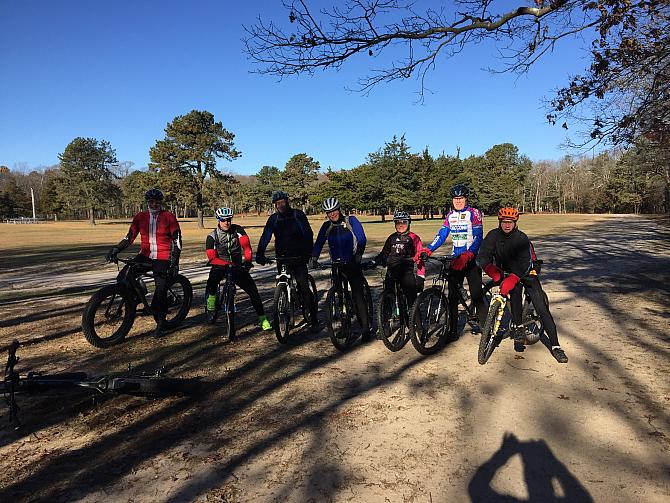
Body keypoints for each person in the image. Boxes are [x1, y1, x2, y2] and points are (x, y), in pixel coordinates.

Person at [477, 207, 568, 363]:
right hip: (506, 273)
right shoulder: (493, 235)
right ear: (500, 222)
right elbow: (483, 256)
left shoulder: (521, 238)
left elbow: (525, 263)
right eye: (504, 222)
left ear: (515, 222)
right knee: (515, 292)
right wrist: (491, 270)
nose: (507, 225)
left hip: (526, 273)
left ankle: (556, 346)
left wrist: (514, 277)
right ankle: (518, 327)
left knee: (541, 308)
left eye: (510, 222)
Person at [106, 188, 181, 338]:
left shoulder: (168, 216)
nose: (154, 204)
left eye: (157, 202)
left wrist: (174, 260)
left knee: (160, 289)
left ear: (160, 203)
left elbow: (177, 240)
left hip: (163, 256)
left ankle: (160, 321)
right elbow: (129, 238)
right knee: (123, 276)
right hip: (145, 255)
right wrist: (116, 249)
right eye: (151, 202)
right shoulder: (140, 217)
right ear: (147, 202)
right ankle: (134, 299)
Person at [421, 184, 487, 341]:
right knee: (452, 297)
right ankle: (452, 330)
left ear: (466, 199)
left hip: (471, 259)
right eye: (455, 199)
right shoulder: (450, 215)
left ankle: (487, 328)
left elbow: (478, 236)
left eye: (460, 198)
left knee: (477, 295)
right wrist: (429, 249)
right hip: (455, 259)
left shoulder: (473, 213)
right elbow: (442, 234)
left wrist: (469, 254)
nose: (458, 201)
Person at [255, 191, 317, 329]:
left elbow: (308, 234)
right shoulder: (273, 219)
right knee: (281, 282)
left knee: (304, 287)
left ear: (287, 202)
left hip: (299, 256)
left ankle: (314, 319)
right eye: (277, 204)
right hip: (282, 257)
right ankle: (287, 308)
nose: (280, 205)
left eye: (282, 202)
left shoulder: (297, 215)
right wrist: (260, 254)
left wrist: (308, 253)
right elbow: (266, 236)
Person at [205, 207, 272, 333]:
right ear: (218, 220)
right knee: (212, 279)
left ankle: (263, 319)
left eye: (229, 219)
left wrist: (247, 261)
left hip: (237, 266)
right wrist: (226, 264)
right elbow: (212, 258)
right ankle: (211, 301)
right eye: (223, 220)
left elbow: (246, 248)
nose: (226, 222)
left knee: (253, 291)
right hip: (220, 265)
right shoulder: (212, 236)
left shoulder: (238, 230)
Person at [311, 197, 370, 339]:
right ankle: (345, 325)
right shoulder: (327, 226)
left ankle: (365, 327)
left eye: (334, 210)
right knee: (339, 296)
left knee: (357, 294)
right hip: (336, 265)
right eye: (329, 212)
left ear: (339, 209)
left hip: (352, 263)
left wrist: (358, 255)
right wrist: (314, 258)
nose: (332, 214)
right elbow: (319, 243)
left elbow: (361, 238)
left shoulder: (351, 221)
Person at [373, 211, 425, 309]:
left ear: (409, 223)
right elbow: (384, 253)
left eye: (404, 222)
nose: (401, 225)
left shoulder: (414, 238)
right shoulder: (392, 238)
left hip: (407, 271)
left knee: (412, 300)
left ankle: (415, 322)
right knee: (388, 295)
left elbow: (420, 257)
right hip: (392, 270)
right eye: (398, 222)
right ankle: (386, 319)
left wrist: (421, 276)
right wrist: (374, 262)